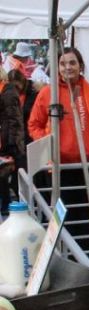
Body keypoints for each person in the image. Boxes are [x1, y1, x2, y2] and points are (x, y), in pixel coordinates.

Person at [28, 47, 89, 252]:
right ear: (57, 68)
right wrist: (49, 143)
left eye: (72, 63)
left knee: (86, 216)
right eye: (63, 63)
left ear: (80, 66)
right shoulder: (48, 93)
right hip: (59, 167)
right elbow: (33, 125)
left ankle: (81, 259)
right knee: (62, 216)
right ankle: (62, 257)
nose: (68, 67)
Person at [7, 69, 40, 187]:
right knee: (17, 176)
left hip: (29, 138)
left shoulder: (34, 92)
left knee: (27, 174)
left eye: (16, 86)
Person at [0, 68, 24, 217]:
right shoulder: (6, 91)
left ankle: (12, 205)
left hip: (9, 145)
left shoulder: (8, 92)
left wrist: (10, 147)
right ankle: (7, 204)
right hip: (7, 143)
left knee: (11, 179)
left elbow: (14, 121)